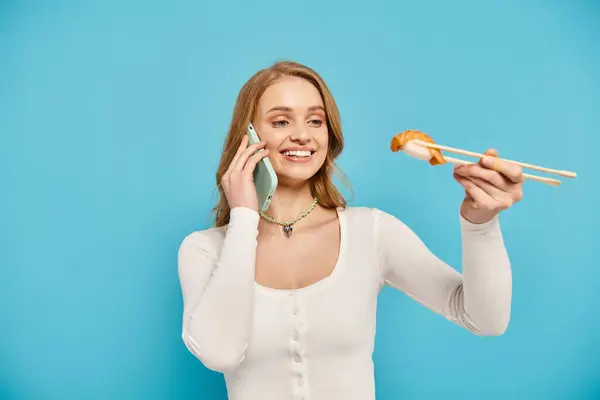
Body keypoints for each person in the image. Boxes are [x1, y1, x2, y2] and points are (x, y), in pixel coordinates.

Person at [177, 60, 523, 400]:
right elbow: (219, 353)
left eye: (315, 120)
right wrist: (243, 218)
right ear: (248, 136)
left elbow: (486, 319)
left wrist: (481, 225)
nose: (302, 134)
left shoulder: (372, 233)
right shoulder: (204, 250)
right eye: (281, 121)